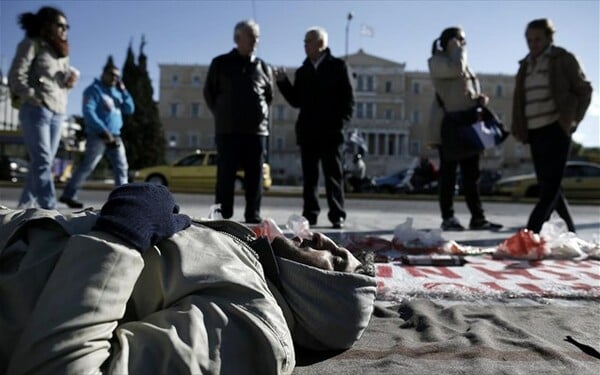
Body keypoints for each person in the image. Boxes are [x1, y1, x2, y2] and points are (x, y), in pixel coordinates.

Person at [0, 183, 376, 374]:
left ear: (326, 297)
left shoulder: (256, 325)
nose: (323, 238)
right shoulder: (253, 271)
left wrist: (120, 237)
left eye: (337, 258)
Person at [511, 19, 592, 233]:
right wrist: (519, 126)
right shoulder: (525, 65)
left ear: (548, 38)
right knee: (551, 187)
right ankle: (571, 233)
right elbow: (519, 100)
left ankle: (530, 233)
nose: (533, 44)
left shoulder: (563, 59)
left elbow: (584, 90)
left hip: (556, 128)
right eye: (529, 40)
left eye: (537, 39)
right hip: (534, 131)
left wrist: (572, 121)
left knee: (548, 191)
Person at [275, 26, 355, 229]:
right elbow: (296, 101)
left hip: (331, 132)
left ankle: (337, 214)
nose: (304, 45)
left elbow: (348, 100)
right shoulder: (303, 71)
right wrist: (283, 82)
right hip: (308, 132)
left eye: (307, 41)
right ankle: (310, 214)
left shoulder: (338, 66)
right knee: (310, 178)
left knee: (333, 176)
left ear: (320, 43)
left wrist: (341, 125)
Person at [428, 27, 502, 231]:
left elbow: (463, 89)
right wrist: (455, 47)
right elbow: (455, 69)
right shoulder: (438, 61)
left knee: (472, 175)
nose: (463, 44)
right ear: (449, 40)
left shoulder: (462, 61)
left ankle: (478, 218)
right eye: (460, 40)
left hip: (469, 123)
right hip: (450, 124)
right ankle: (448, 217)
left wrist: (478, 98)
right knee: (448, 174)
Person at [8, 6, 78, 209]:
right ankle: (50, 208)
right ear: (47, 25)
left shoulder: (62, 53)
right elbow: (15, 76)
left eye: (67, 26)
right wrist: (32, 96)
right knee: (43, 160)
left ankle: (23, 208)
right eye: (60, 25)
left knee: (42, 164)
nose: (65, 29)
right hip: (36, 109)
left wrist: (68, 84)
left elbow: (60, 86)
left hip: (58, 111)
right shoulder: (31, 44)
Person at [203, 20, 273, 224]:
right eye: (250, 36)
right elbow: (209, 92)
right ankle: (223, 214)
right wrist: (222, 113)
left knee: (255, 175)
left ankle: (253, 212)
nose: (255, 40)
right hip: (228, 130)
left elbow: (269, 97)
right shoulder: (220, 63)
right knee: (225, 174)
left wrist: (260, 115)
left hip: (257, 132)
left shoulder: (263, 67)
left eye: (257, 36)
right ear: (237, 38)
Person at [59, 57, 135, 209]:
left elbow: (129, 109)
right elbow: (89, 112)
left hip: (115, 135)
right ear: (104, 74)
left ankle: (122, 200)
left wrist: (124, 91)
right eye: (112, 75)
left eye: (117, 76)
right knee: (88, 166)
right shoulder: (93, 90)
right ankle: (69, 195)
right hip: (98, 135)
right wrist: (102, 130)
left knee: (122, 168)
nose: (114, 78)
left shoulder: (117, 92)